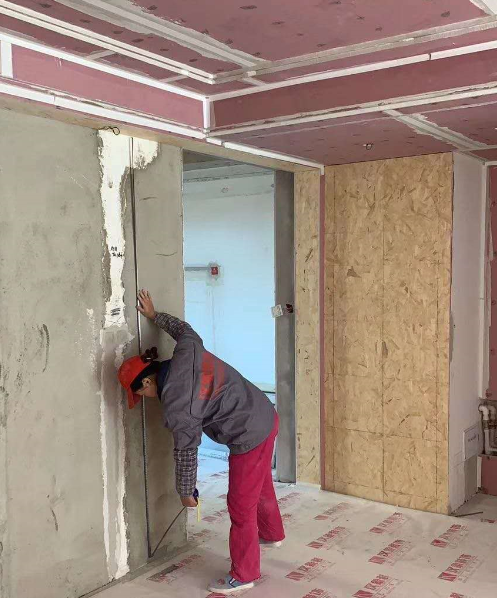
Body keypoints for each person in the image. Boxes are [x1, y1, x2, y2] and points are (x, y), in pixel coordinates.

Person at [118, 290, 285, 595]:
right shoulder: (187, 349)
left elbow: (186, 451)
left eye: (140, 393)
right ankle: (272, 534)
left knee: (240, 505)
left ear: (147, 381)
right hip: (265, 413)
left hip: (248, 433)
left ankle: (244, 574)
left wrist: (185, 493)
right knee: (260, 483)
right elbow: (183, 328)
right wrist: (155, 316)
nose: (144, 399)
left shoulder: (178, 406)